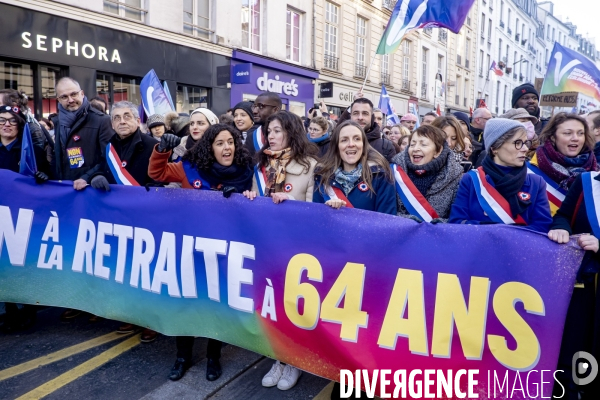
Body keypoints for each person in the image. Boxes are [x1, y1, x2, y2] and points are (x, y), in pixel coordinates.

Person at [149, 124, 252, 382]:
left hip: (224, 252)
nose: (226, 148)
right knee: (186, 303)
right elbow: (156, 172)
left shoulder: (247, 172)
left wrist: (242, 196)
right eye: (219, 143)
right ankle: (182, 357)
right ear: (210, 146)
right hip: (190, 250)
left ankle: (213, 358)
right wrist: (162, 149)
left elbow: (256, 202)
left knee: (216, 306)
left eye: (230, 142)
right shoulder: (189, 169)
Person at [243, 111, 318, 391]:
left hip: (296, 249)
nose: (271, 137)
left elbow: (316, 213)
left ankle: (295, 360)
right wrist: (251, 197)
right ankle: (278, 358)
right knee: (270, 308)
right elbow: (254, 207)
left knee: (293, 309)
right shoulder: (260, 166)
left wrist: (291, 205)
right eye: (268, 132)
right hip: (266, 247)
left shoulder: (310, 165)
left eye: (277, 131)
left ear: (291, 132)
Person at [548, 172, 600, 399]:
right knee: (573, 354)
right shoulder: (587, 181)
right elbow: (563, 216)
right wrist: (562, 229)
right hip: (584, 288)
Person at [449, 118, 553, 232]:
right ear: (494, 148)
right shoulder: (472, 179)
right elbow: (457, 223)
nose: (525, 149)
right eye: (517, 143)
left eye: (525, 143)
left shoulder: (536, 182)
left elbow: (542, 227)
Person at [0, 105, 49, 332]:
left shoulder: (31, 151)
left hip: (25, 218)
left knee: (25, 263)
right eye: (2, 120)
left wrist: (42, 177)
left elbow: (50, 177)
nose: (6, 124)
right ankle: (9, 311)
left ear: (20, 125)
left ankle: (28, 310)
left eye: (12, 120)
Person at [313, 120, 396, 214]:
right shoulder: (322, 176)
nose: (351, 144)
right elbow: (317, 219)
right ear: (336, 146)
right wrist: (328, 210)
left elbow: (387, 221)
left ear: (363, 144)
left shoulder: (380, 176)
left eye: (357, 139)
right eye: (344, 140)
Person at [50, 77, 114, 191]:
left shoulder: (102, 120)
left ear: (82, 93)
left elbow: (109, 159)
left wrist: (88, 177)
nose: (70, 100)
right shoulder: (58, 122)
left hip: (89, 190)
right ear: (58, 99)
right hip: (65, 190)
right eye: (64, 97)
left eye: (73, 94)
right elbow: (58, 157)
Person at [527, 112, 597, 216]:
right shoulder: (530, 171)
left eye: (580, 133)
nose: (575, 138)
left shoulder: (594, 171)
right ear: (553, 137)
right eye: (568, 133)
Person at [391, 125, 462, 222]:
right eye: (412, 144)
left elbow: (457, 219)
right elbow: (387, 212)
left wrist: (441, 224)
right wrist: (407, 220)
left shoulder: (455, 177)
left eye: (423, 144)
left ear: (438, 151)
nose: (415, 148)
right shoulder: (394, 172)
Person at [345, 98, 396, 163]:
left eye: (365, 113)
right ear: (350, 116)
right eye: (356, 113)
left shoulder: (386, 147)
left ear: (372, 117)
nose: (360, 117)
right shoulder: (338, 142)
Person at [244, 92, 282, 157]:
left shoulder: (290, 134)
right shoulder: (252, 137)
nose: (254, 111)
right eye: (254, 106)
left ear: (275, 110)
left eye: (261, 106)